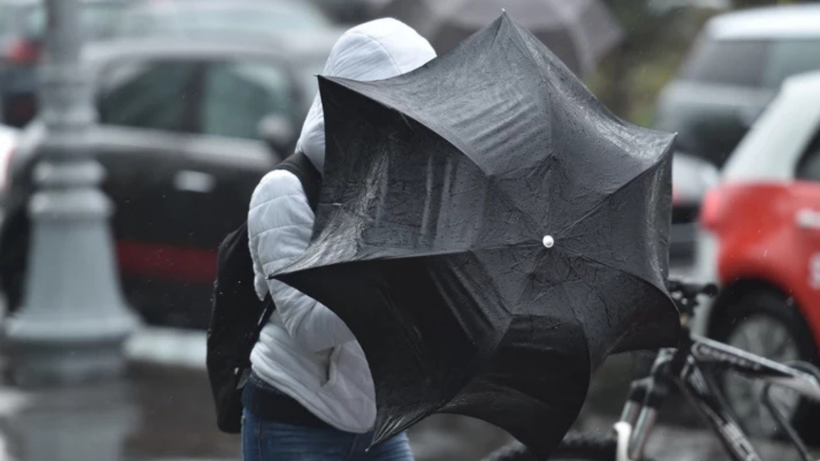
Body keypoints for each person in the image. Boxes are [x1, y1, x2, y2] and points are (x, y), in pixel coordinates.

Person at [243, 19, 437, 461]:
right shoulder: (284, 192)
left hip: (378, 418)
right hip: (295, 418)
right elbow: (311, 328)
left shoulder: (397, 189)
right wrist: (400, 267)